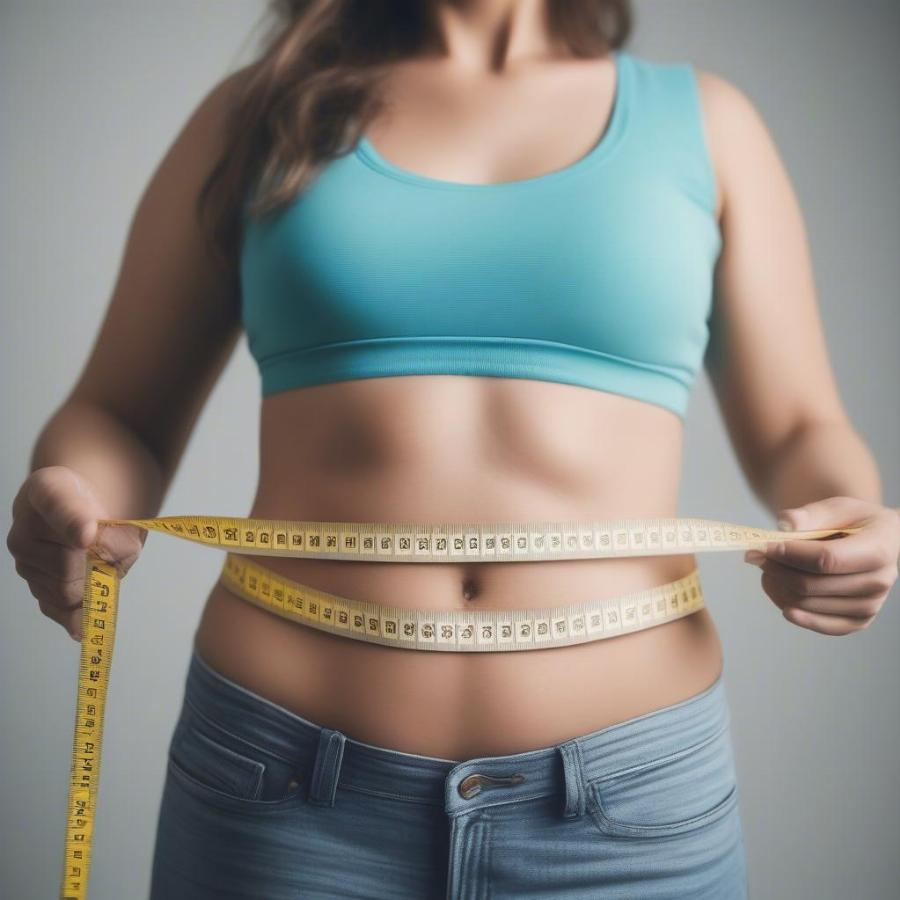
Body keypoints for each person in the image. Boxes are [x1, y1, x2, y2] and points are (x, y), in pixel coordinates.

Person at [8, 1, 899, 897]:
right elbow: (118, 412)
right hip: (279, 786)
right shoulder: (259, 116)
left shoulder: (709, 124)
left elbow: (800, 430)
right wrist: (75, 497)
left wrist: (846, 516)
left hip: (629, 808)